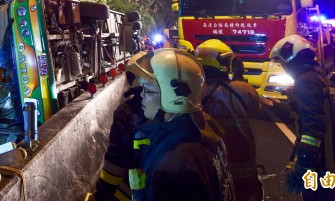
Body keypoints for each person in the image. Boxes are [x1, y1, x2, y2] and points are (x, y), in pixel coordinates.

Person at [127, 48, 236, 201]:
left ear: (173, 97)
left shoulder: (173, 168)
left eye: (148, 90)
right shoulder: (204, 128)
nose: (142, 95)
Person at [270, 35, 335, 201]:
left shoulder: (305, 82)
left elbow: (313, 127)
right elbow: (316, 113)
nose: (284, 67)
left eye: (283, 63)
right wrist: (279, 106)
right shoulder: (320, 78)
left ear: (294, 58)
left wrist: (304, 164)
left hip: (321, 166)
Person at [195, 39, 264, 201]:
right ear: (225, 62)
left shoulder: (192, 93)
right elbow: (257, 110)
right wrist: (239, 78)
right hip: (243, 174)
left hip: (208, 173)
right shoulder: (242, 89)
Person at [94, 52, 147, 201]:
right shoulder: (169, 111)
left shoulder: (126, 112)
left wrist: (102, 195)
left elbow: (116, 161)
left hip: (133, 190)